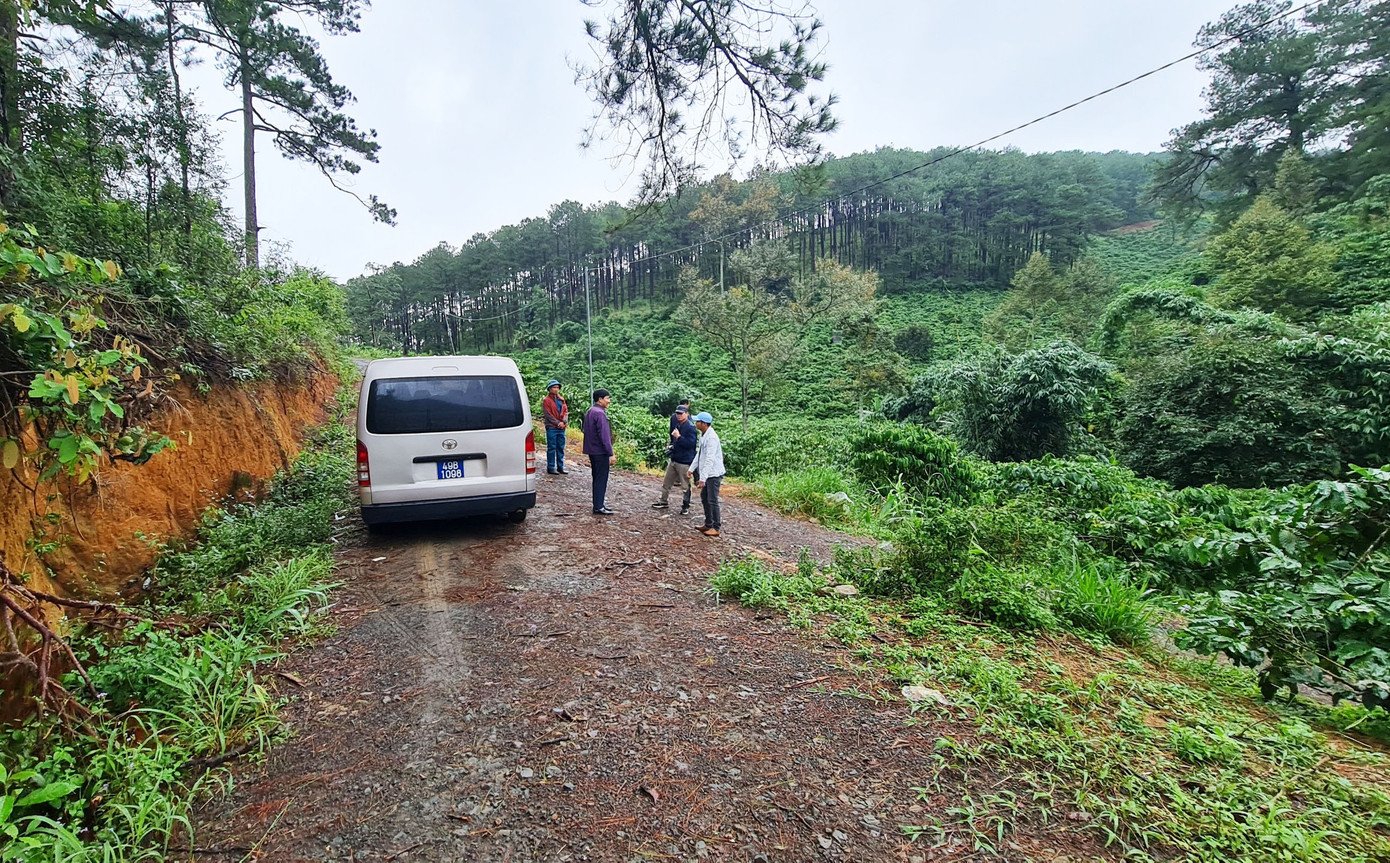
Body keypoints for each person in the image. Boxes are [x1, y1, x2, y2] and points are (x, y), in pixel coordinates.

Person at [652, 404, 695, 514]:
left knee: (685, 486)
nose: (678, 415)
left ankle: (685, 506)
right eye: (677, 413)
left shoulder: (690, 427)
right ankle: (663, 501)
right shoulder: (678, 424)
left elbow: (691, 444)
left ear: (687, 414)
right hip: (675, 459)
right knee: (667, 483)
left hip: (684, 461)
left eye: (681, 413)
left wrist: (679, 437)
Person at [690, 411, 725, 536]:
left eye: (698, 421)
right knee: (705, 498)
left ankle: (716, 527)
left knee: (712, 499)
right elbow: (700, 454)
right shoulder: (704, 435)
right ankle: (708, 523)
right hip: (707, 473)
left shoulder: (712, 438)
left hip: (713, 473)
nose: (696, 423)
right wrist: (691, 469)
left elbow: (709, 459)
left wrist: (702, 478)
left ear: (704, 423)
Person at [582, 389, 616, 515]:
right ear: (600, 399)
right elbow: (604, 436)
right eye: (607, 398)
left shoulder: (590, 411)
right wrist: (610, 453)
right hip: (600, 452)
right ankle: (599, 506)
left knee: (596, 478)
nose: (609, 401)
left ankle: (598, 504)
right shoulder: (600, 414)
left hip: (592, 450)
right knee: (601, 478)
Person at [542, 379, 569, 474]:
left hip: (561, 427)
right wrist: (558, 423)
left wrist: (564, 421)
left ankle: (560, 466)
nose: (556, 389)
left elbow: (565, 411)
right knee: (552, 447)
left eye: (557, 387)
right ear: (549, 389)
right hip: (552, 427)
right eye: (554, 387)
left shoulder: (561, 399)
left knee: (560, 447)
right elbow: (548, 414)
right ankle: (551, 467)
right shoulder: (546, 400)